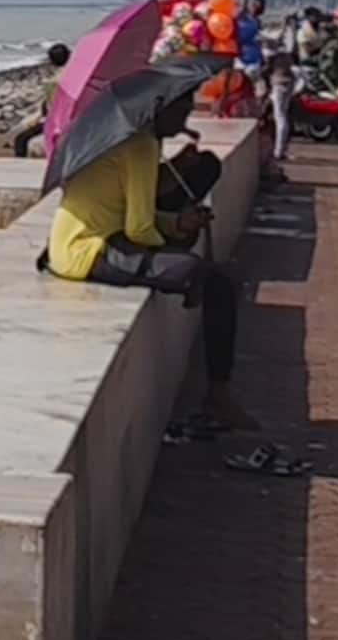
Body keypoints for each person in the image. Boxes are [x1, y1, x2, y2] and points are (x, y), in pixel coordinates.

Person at [39, 97, 252, 429]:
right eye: (179, 113)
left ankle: (218, 392)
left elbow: (134, 215)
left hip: (76, 243)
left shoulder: (126, 139)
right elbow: (138, 227)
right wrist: (179, 258)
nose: (183, 122)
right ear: (159, 110)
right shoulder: (140, 146)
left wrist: (176, 226)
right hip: (90, 251)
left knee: (200, 271)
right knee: (216, 283)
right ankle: (218, 394)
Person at [13, 43, 73, 158]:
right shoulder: (74, 74)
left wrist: (39, 118)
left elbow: (52, 107)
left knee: (20, 139)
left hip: (57, 120)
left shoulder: (55, 82)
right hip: (65, 116)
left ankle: (20, 163)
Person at [265, 48, 295, 163]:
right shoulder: (287, 50)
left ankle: (278, 151)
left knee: (280, 117)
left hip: (278, 82)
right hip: (288, 81)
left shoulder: (273, 53)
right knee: (283, 116)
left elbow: (267, 67)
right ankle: (281, 149)